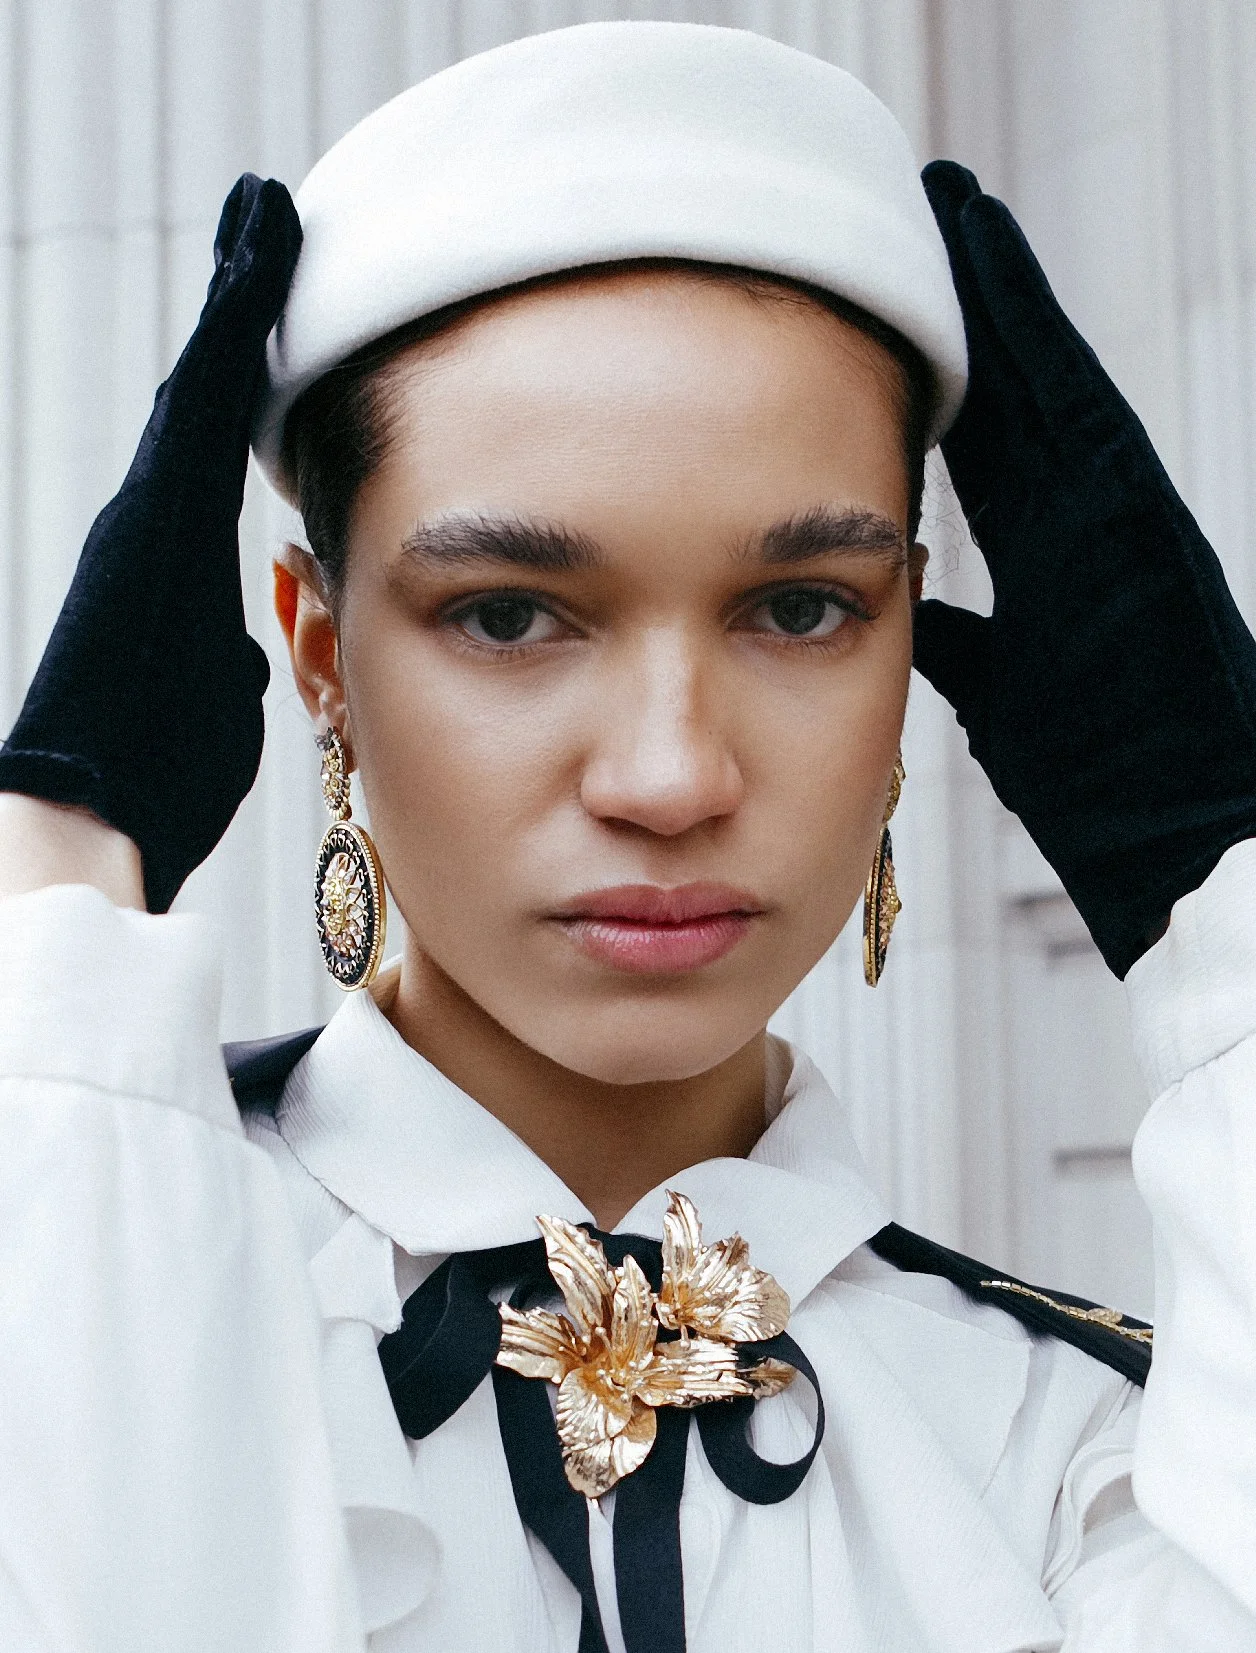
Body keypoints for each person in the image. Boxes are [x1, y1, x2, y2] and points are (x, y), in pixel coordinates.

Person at [0, 20, 1252, 1651]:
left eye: (800, 609)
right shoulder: (76, 1247)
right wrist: (53, 884)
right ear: (318, 652)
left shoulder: (1067, 1452)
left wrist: (1222, 879)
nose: (670, 778)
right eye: (512, 616)